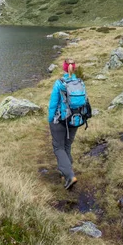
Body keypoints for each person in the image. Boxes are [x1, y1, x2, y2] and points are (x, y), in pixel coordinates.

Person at [48, 58, 79, 190]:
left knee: (58, 147)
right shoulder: (80, 82)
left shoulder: (59, 83)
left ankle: (69, 175)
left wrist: (50, 120)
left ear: (64, 68)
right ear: (74, 68)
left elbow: (53, 104)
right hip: (75, 120)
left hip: (61, 120)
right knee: (67, 144)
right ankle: (65, 171)